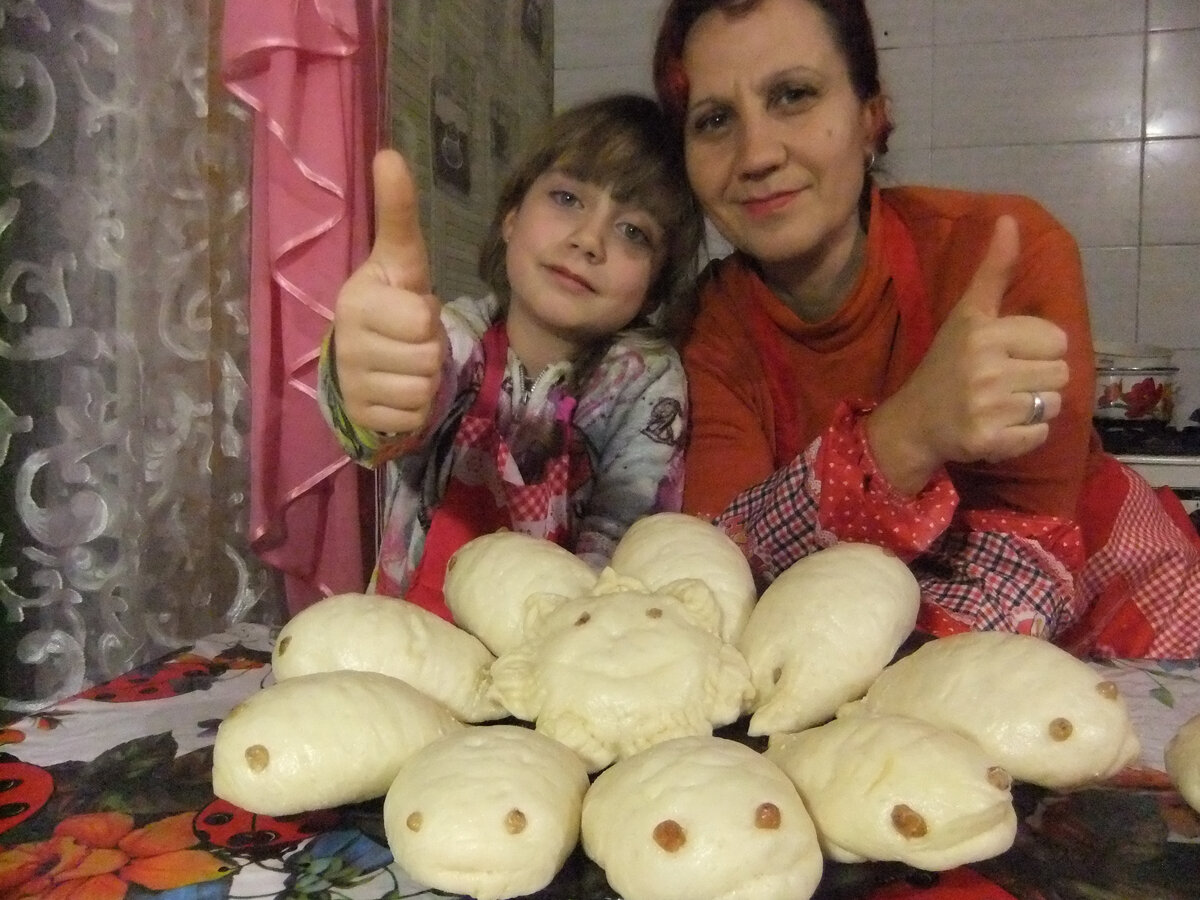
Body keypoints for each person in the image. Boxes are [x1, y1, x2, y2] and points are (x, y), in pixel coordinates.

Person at [651, 0, 1200, 658]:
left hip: (1128, 626)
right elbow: (723, 567)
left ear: (870, 116)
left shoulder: (1003, 251)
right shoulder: (708, 326)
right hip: (870, 657)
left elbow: (1022, 564)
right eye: (714, 120)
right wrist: (907, 433)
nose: (757, 154)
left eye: (793, 95)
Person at [319, 93, 704, 620]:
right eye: (567, 198)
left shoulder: (646, 384)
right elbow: (389, 423)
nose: (589, 240)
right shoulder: (454, 338)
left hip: (561, 652)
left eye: (633, 232)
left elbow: (626, 547)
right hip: (405, 643)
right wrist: (371, 382)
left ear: (654, 287)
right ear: (510, 217)